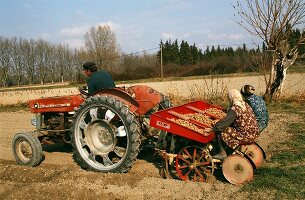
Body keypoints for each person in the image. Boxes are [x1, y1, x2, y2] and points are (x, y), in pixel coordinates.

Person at [205, 89, 260, 160]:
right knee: (226, 128)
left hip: (245, 135)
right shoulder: (245, 104)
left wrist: (213, 129)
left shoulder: (235, 108)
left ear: (231, 98)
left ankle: (222, 154)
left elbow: (223, 124)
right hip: (253, 133)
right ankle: (229, 149)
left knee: (220, 130)